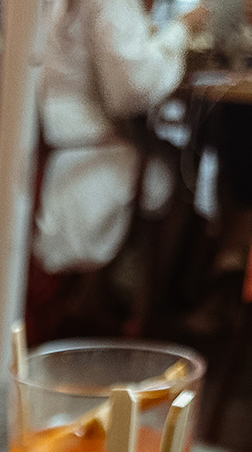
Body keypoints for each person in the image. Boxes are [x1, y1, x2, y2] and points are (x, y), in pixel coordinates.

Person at [33, 0, 206, 277]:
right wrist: (181, 29)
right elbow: (130, 90)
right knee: (180, 172)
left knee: (165, 154)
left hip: (55, 146)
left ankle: (101, 295)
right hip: (83, 158)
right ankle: (152, 305)